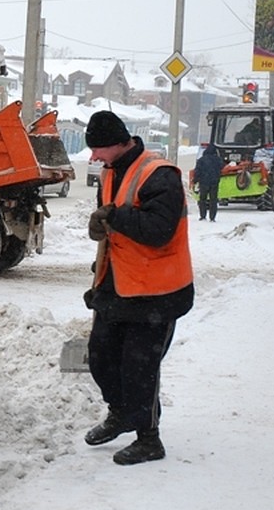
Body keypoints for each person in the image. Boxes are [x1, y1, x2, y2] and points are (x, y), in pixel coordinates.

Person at [83, 110, 194, 466]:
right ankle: (121, 414)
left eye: (98, 149)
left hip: (157, 291)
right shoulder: (110, 171)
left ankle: (149, 438)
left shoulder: (159, 174)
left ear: (118, 142)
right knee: (101, 357)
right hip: (118, 285)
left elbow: (159, 230)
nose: (94, 157)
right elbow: (115, 227)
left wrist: (114, 216)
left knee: (139, 367)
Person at [192, 143, 223, 222]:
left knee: (202, 199)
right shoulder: (218, 160)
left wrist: (195, 180)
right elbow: (222, 169)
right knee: (213, 200)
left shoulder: (201, 160)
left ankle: (203, 216)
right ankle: (212, 217)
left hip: (203, 182)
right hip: (214, 182)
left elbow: (197, 171)